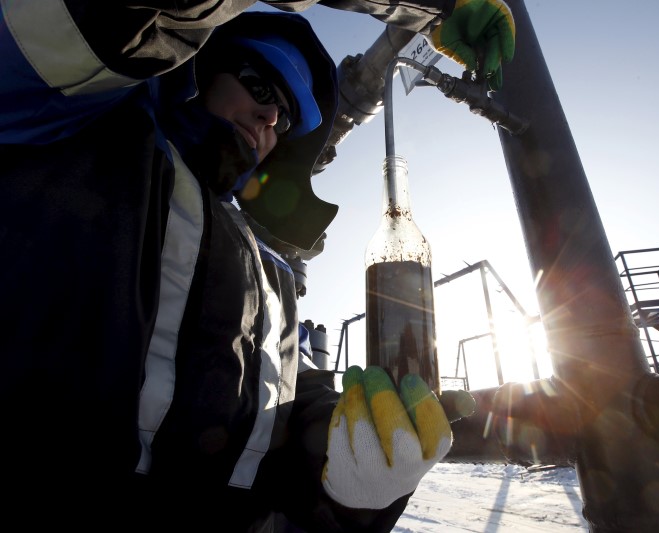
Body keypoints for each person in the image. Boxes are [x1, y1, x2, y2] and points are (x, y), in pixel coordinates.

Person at [0, 2, 514, 531]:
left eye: (286, 118)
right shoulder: (81, 125)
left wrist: (350, 481)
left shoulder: (265, 260)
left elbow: (280, 410)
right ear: (197, 63)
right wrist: (427, 6)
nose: (272, 119)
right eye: (260, 86)